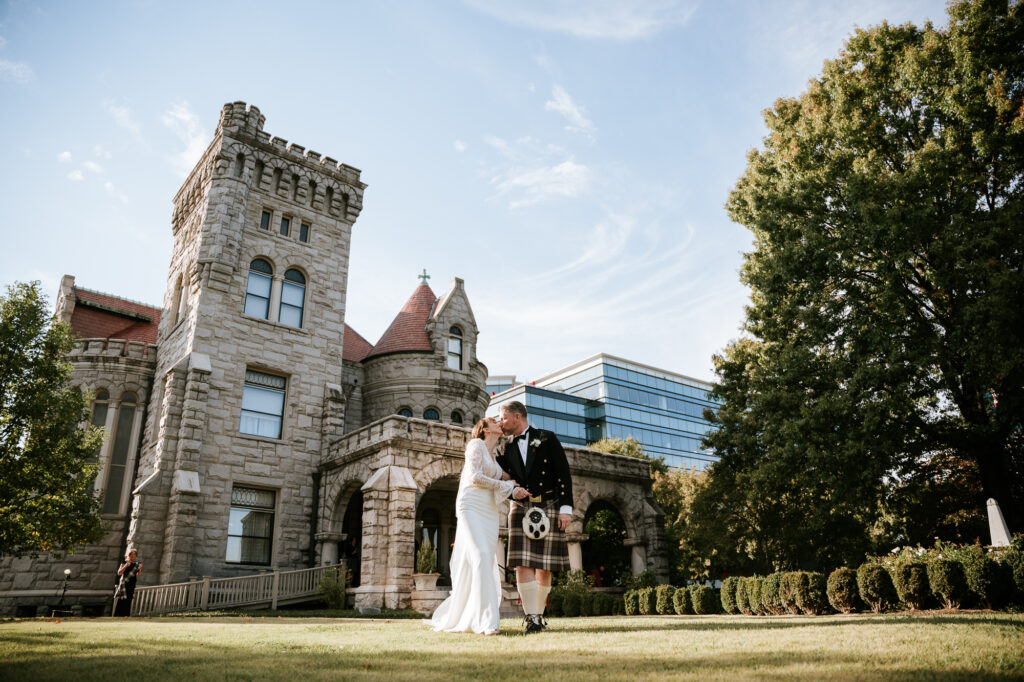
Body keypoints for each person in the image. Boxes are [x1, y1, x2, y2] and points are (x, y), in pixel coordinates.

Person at [425, 417, 527, 635]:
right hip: (470, 506)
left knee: (485, 560)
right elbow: (475, 477)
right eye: (493, 420)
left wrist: (519, 486)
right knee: (480, 555)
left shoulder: (494, 457)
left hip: (489, 510)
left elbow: (510, 479)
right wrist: (507, 485)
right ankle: (486, 622)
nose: (499, 422)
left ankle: (480, 616)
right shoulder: (476, 445)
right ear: (485, 429)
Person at [496, 400, 574, 634]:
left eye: (503, 418)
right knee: (521, 563)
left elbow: (563, 473)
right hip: (520, 507)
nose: (501, 423)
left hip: (549, 504)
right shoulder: (504, 447)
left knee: (545, 566)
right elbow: (500, 477)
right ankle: (531, 618)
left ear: (517, 417)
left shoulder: (547, 438)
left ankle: (538, 616)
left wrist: (566, 508)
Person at [113, 548, 142, 617]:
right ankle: (118, 616)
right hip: (124, 584)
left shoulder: (137, 564)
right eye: (131, 554)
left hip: (132, 584)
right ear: (128, 555)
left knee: (129, 600)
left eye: (134, 555)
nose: (133, 556)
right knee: (122, 600)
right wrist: (126, 566)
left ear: (136, 556)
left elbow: (138, 574)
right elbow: (119, 573)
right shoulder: (124, 562)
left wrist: (140, 569)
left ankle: (126, 616)